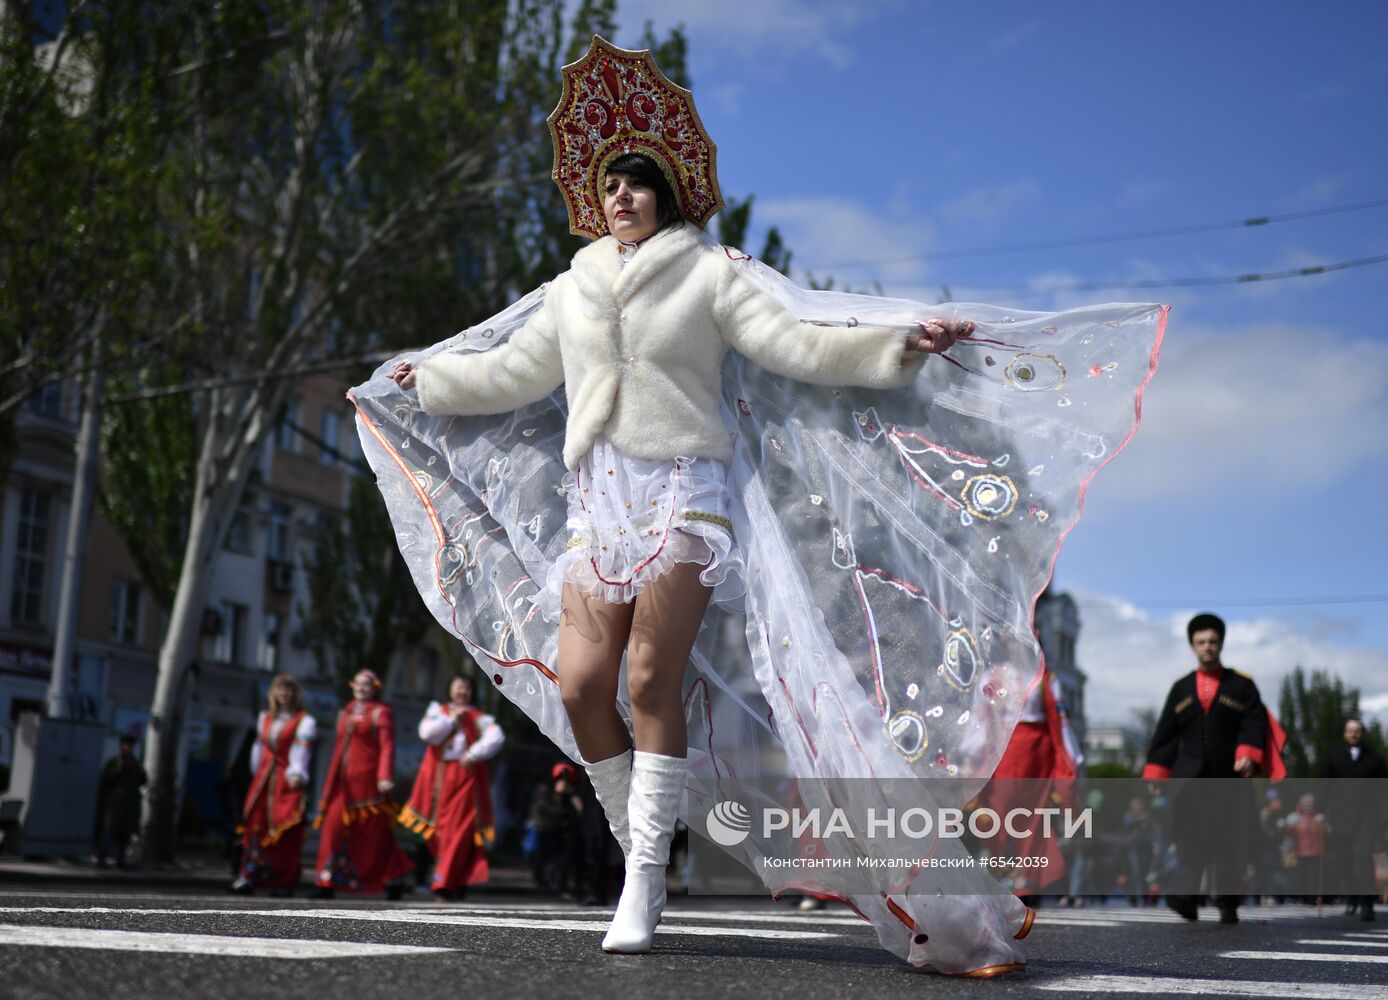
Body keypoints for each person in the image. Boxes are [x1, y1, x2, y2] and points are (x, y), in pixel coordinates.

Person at [353, 36, 1166, 975]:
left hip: (681, 498)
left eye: (638, 182)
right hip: (597, 507)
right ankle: (638, 846)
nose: (621, 196)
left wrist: (900, 344)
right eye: (610, 185)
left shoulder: (709, 274)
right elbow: (511, 372)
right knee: (581, 685)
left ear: (666, 194)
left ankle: (643, 880)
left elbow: (796, 342)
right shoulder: (571, 292)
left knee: (650, 682)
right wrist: (428, 384)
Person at [1142, 612, 1285, 924]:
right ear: (1193, 646)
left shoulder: (1242, 685)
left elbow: (1254, 722)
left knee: (1229, 839)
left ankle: (1228, 902)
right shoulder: (1180, 688)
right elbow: (1166, 733)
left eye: (1212, 641)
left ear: (1221, 644)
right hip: (1190, 779)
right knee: (1190, 836)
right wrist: (1156, 773)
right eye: (1201, 642)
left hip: (1229, 778)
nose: (1207, 646)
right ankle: (1187, 898)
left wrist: (1247, 753)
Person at [401, 674, 505, 901]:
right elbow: (427, 734)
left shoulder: (478, 717)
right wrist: (450, 720)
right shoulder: (438, 711)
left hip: (464, 779)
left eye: (467, 688)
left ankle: (444, 883)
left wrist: (474, 753)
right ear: (450, 689)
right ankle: (455, 880)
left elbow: (497, 737)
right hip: (437, 780)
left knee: (458, 832)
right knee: (437, 833)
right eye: (459, 687)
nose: (462, 692)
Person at [312, 669, 413, 899]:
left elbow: (387, 746)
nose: (361, 687)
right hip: (343, 783)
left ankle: (393, 877)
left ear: (374, 688)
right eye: (358, 683)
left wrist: (384, 776)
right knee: (332, 827)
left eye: (366, 684)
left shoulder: (381, 712)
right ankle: (325, 881)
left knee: (375, 835)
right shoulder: (346, 711)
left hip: (370, 784)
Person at [231, 673, 317, 895]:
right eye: (280, 689)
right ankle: (249, 874)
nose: (284, 694)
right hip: (263, 780)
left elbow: (301, 749)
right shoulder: (266, 718)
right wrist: (256, 771)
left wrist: (297, 772)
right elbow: (259, 748)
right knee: (255, 824)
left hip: (286, 780)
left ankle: (283, 880)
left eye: (288, 690)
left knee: (285, 825)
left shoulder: (303, 720)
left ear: (295, 694)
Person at [1322, 718, 1387, 920]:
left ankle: (1367, 904)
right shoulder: (1333, 757)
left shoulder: (1375, 759)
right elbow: (1323, 787)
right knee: (1343, 860)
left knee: (1364, 859)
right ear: (1345, 734)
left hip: (1366, 818)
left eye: (1357, 731)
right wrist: (1321, 813)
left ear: (1362, 734)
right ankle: (1352, 894)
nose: (1354, 734)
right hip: (1340, 817)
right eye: (1350, 730)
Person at [528, 762, 584, 895]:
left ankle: (561, 881)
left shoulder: (572, 794)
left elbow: (579, 810)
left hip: (565, 829)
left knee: (564, 856)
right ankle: (545, 878)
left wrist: (570, 794)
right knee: (545, 854)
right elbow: (544, 810)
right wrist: (558, 796)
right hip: (548, 828)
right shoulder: (546, 793)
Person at [95, 734, 146, 867]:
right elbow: (106, 779)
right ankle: (102, 857)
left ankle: (120, 859)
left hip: (130, 804)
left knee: (125, 834)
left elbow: (143, 780)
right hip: (116, 804)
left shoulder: (136, 763)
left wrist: (141, 771)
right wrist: (118, 769)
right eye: (126, 745)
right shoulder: (115, 762)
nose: (128, 748)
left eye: (130, 745)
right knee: (110, 831)